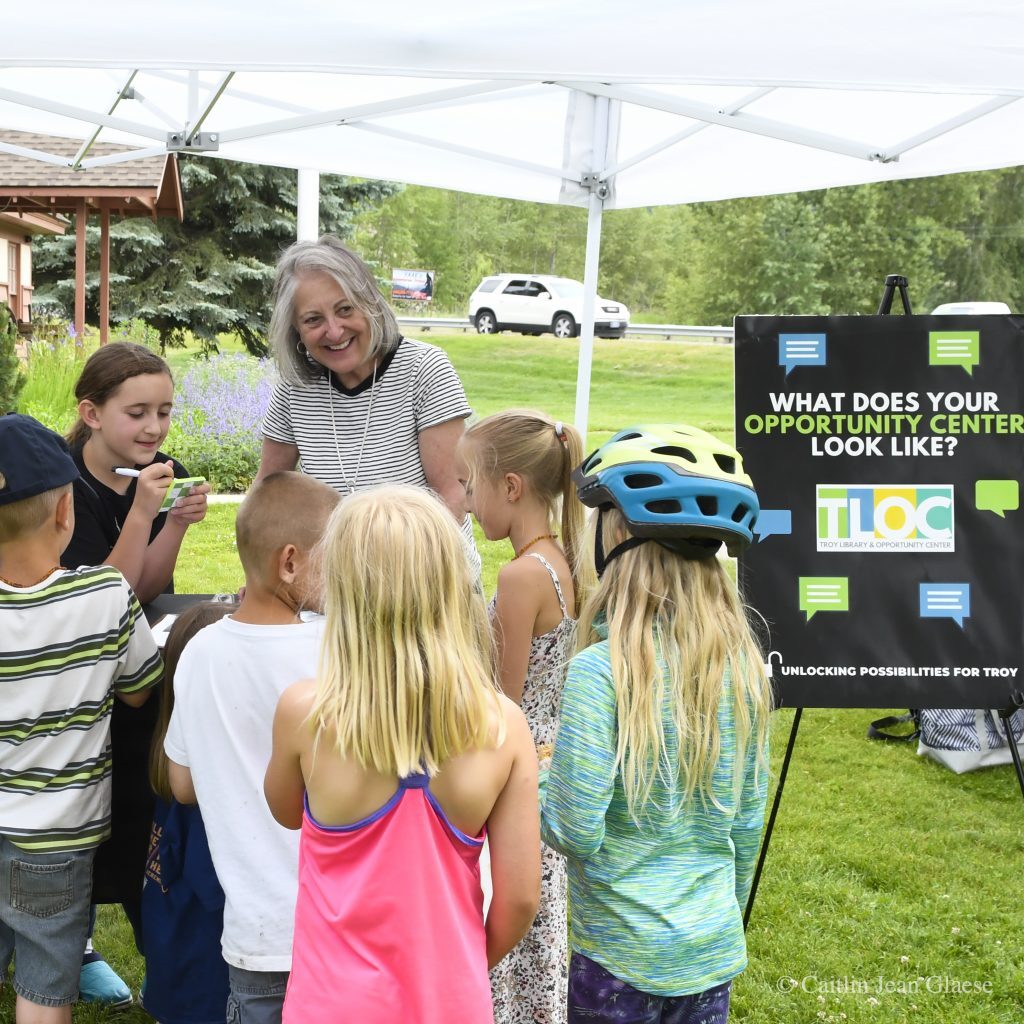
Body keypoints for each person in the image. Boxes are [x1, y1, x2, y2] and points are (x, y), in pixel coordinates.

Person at [264, 485, 541, 1024]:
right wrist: (461, 969)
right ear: (450, 585)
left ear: (344, 588)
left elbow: (285, 811)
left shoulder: (305, 714)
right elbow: (521, 900)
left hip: (332, 1006)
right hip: (451, 1005)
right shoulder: (503, 725)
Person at [541, 425, 772, 1024]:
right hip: (710, 951)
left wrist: (540, 777)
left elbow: (574, 828)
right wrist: (715, 916)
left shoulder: (600, 672)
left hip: (619, 959)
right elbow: (747, 822)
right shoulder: (743, 671)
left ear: (617, 533)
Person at [62, 341, 210, 1006]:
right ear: (92, 414)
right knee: (78, 808)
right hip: (73, 676)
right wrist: (148, 511)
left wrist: (173, 523)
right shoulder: (66, 487)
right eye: (138, 413)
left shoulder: (152, 474)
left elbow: (149, 585)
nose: (154, 428)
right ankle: (73, 942)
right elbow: (104, 597)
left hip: (137, 668)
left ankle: (158, 938)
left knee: (141, 794)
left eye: (165, 412)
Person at [0, 414, 161, 1024]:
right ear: (66, 513)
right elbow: (141, 690)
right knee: (45, 990)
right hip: (57, 839)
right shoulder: (105, 595)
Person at [164, 472, 339, 1024]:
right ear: (290, 562)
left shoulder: (199, 652)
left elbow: (181, 784)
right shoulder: (336, 649)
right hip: (340, 925)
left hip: (255, 935)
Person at [456, 410, 590, 1024]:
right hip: (546, 763)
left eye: (470, 485)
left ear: (510, 486)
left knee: (507, 915)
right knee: (541, 922)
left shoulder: (518, 576)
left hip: (511, 772)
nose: (466, 500)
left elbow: (500, 699)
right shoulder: (561, 559)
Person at [256, 235, 479, 574]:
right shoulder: (294, 387)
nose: (334, 331)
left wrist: (394, 580)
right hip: (341, 585)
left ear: (371, 303)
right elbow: (268, 495)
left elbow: (452, 497)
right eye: (313, 319)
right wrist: (263, 576)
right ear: (295, 330)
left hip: (429, 575)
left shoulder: (424, 368)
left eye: (345, 309)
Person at [141, 602, 237, 1024]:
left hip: (170, 962)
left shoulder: (170, 766)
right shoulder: (204, 793)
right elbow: (215, 887)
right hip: (204, 979)